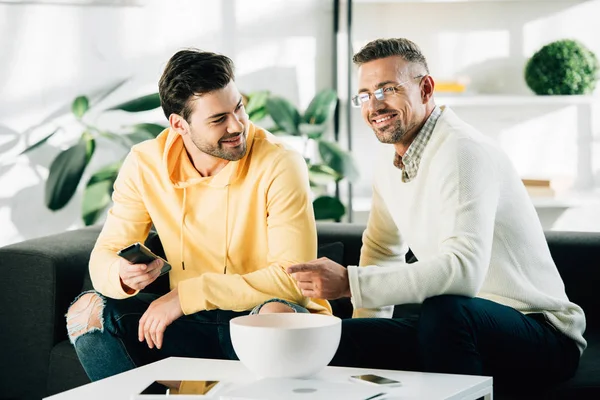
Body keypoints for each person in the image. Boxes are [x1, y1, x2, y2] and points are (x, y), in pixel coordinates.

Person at [287, 38, 585, 390]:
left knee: (445, 310)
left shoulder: (463, 151)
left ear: (426, 88)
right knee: (336, 339)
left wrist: (351, 284)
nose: (374, 105)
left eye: (387, 89)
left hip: (541, 333)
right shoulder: (388, 161)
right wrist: (366, 351)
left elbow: (463, 272)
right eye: (365, 95)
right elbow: (382, 252)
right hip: (460, 326)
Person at [66, 48, 331, 381]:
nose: (238, 126)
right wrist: (121, 273)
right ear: (179, 124)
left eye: (239, 108)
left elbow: (292, 280)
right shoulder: (145, 163)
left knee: (275, 318)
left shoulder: (280, 163)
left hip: (259, 315)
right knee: (85, 313)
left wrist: (186, 296)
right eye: (219, 119)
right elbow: (102, 256)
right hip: (189, 322)